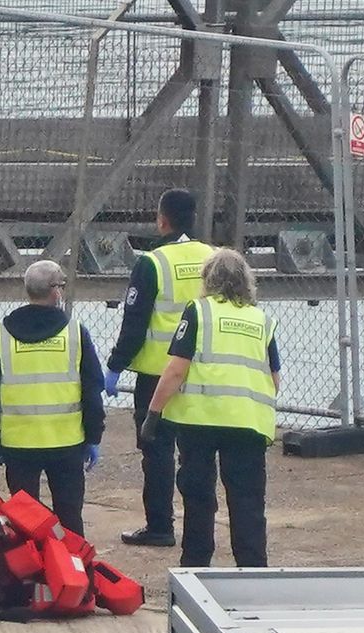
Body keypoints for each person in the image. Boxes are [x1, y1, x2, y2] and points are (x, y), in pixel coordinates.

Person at [140, 248, 280, 567]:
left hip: (199, 421)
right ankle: (253, 567)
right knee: (247, 500)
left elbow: (176, 369)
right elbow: (274, 377)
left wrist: (153, 414)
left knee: (199, 496)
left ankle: (197, 564)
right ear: (247, 281)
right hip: (247, 423)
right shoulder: (262, 320)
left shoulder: (199, 312)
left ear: (208, 279)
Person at [104, 189, 213, 548]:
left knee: (157, 451)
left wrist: (116, 364)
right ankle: (201, 528)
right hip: (200, 371)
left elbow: (134, 322)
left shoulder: (152, 263)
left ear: (162, 219)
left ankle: (160, 526)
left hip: (156, 374)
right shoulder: (213, 258)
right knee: (196, 451)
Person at [0, 260, 104, 536]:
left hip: (18, 444)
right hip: (67, 442)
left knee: (23, 521)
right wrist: (94, 436)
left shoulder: (1, 335)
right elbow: (92, 389)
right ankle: (73, 574)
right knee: (69, 518)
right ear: (56, 291)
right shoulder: (75, 333)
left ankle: (29, 575)